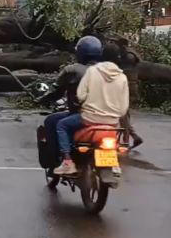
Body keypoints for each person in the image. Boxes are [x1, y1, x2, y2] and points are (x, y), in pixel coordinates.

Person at [53, 40, 130, 175]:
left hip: (89, 119)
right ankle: (113, 164)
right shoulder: (122, 77)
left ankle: (67, 162)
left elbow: (81, 95)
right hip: (112, 123)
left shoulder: (92, 72)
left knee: (61, 125)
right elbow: (124, 108)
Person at [39, 36, 102, 169]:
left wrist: (42, 100)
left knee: (55, 122)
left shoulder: (72, 70)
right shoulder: (110, 71)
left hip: (84, 115)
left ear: (79, 53)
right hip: (109, 117)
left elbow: (56, 92)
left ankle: (65, 160)